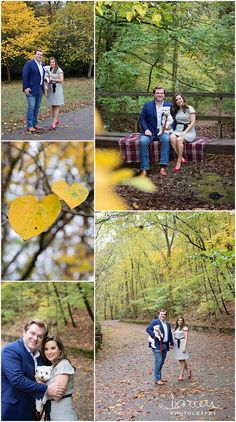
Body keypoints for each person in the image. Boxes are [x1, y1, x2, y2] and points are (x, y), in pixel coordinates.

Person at [1, 319, 66, 421]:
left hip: (32, 412)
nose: (35, 338)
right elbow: (17, 380)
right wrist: (46, 389)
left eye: (40, 336)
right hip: (13, 411)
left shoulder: (40, 356)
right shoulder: (11, 351)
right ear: (24, 332)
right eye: (32, 333)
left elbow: (54, 368)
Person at [40, 335, 78, 421]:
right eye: (46, 349)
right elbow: (50, 390)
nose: (49, 352)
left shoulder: (63, 364)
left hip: (63, 415)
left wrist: (39, 386)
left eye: (53, 348)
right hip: (53, 413)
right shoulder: (53, 366)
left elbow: (57, 396)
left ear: (60, 350)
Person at [139, 86, 173, 177]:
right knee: (142, 141)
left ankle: (162, 167)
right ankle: (144, 169)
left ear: (164, 95)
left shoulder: (169, 105)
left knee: (166, 140)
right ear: (154, 94)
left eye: (161, 93)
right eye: (157, 93)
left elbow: (174, 119)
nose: (159, 95)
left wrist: (169, 128)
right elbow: (142, 118)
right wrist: (146, 129)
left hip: (163, 132)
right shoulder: (147, 105)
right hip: (149, 131)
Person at [146, 309, 174, 385]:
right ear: (159, 315)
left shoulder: (167, 324)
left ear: (166, 315)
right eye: (161, 314)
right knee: (158, 362)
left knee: (161, 362)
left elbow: (169, 334)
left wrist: (171, 343)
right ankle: (157, 379)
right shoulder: (155, 322)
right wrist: (155, 336)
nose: (163, 316)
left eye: (164, 314)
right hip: (157, 345)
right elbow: (148, 329)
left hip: (165, 345)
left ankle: (159, 377)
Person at [170, 93, 197, 172]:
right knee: (171, 138)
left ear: (183, 99)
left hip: (189, 131)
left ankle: (178, 162)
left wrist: (185, 132)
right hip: (178, 130)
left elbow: (193, 122)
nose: (178, 101)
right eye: (176, 100)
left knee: (179, 140)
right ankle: (181, 158)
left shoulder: (190, 108)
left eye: (180, 98)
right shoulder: (176, 110)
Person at [22, 49, 45, 133]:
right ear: (35, 54)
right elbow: (25, 75)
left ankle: (35, 123)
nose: (39, 56)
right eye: (38, 54)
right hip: (30, 89)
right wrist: (25, 87)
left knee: (37, 107)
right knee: (31, 107)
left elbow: (44, 77)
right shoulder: (29, 63)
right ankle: (29, 126)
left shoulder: (43, 64)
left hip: (40, 89)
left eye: (41, 55)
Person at [44, 57, 64, 129]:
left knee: (56, 105)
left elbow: (61, 80)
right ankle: (56, 119)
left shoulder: (59, 69)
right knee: (53, 105)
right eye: (50, 62)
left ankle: (54, 122)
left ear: (55, 62)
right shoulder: (48, 69)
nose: (52, 63)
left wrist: (53, 79)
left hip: (57, 89)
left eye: (53, 62)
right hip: (50, 89)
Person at [174, 316, 192, 381]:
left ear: (183, 321)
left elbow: (186, 338)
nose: (180, 321)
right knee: (181, 360)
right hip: (176, 344)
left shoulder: (185, 328)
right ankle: (188, 371)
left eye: (181, 320)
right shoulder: (176, 327)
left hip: (182, 344)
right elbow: (175, 336)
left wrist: (184, 346)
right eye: (179, 320)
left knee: (182, 360)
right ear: (177, 321)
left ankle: (181, 375)